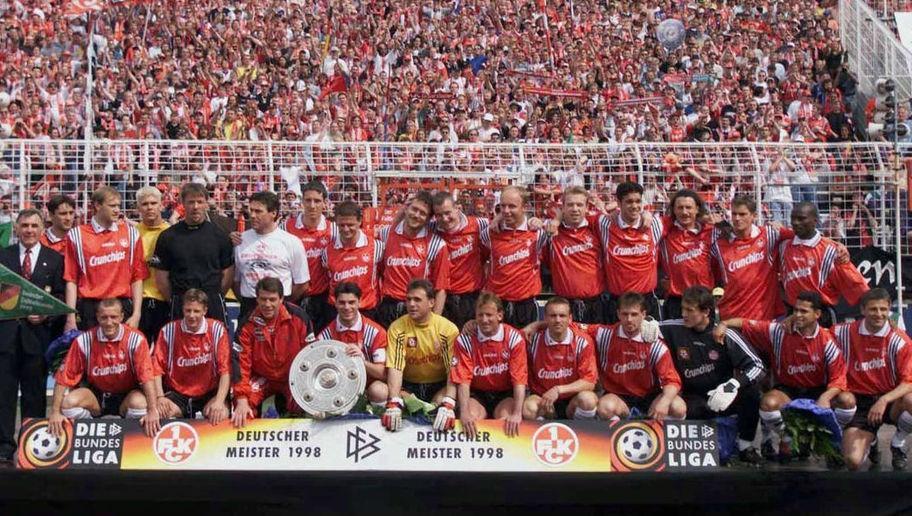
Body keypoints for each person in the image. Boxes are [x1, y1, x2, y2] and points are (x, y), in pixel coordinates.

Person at [719, 291, 854, 460]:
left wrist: (825, 397)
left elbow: (839, 379)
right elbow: (745, 324)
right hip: (787, 390)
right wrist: (724, 324)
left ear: (817, 314)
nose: (797, 315)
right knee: (768, 404)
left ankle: (832, 441)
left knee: (847, 401)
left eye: (804, 311)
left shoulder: (827, 340)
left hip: (817, 390)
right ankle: (790, 437)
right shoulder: (778, 331)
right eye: (795, 310)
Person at [660, 286, 766, 464]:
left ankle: (745, 446)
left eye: (689, 310)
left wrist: (732, 385)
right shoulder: (674, 328)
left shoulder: (726, 335)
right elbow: (646, 324)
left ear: (706, 312)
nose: (684, 314)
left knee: (752, 393)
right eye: (682, 309)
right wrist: (647, 322)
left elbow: (758, 366)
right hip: (692, 400)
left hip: (723, 396)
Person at [0, 209, 65, 462]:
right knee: (4, 396)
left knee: (34, 395)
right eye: (24, 225)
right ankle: (4, 448)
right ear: (16, 228)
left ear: (42, 228)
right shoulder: (2, 258)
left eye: (34, 225)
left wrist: (46, 315)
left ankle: (30, 445)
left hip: (37, 339)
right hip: (5, 338)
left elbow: (60, 296)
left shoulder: (55, 259)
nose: (29, 230)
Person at [49, 299, 160, 437]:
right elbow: (64, 377)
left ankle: (129, 439)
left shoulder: (136, 339)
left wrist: (152, 410)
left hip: (127, 395)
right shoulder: (84, 340)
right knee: (68, 403)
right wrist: (55, 412)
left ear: (121, 317)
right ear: (97, 317)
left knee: (140, 405)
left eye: (113, 317)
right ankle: (91, 437)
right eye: (104, 317)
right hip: (97, 395)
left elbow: (147, 377)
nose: (109, 322)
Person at [835, 288, 912, 471]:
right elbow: (815, 335)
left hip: (891, 401)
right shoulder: (843, 332)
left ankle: (898, 443)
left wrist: (884, 400)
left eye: (883, 309)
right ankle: (872, 439)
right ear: (862, 310)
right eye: (873, 309)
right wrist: (793, 321)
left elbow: (909, 381)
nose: (879, 314)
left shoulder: (900, 340)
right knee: (852, 462)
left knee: (910, 399)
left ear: (889, 310)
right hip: (861, 402)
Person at [588, 293, 686, 421]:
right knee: (605, 408)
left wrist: (664, 402)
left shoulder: (654, 343)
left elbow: (672, 381)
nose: (629, 319)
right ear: (618, 314)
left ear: (643, 314)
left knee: (678, 407)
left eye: (634, 314)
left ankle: (661, 437)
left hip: (650, 396)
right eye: (625, 314)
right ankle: (617, 437)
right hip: (619, 396)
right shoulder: (603, 334)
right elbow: (571, 327)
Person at [63, 186, 147, 331]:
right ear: (97, 205)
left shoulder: (131, 234)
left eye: (118, 206)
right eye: (112, 205)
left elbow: (137, 277)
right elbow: (71, 279)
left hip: (122, 306)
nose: (117, 210)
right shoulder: (76, 235)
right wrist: (70, 318)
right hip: (90, 308)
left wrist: (137, 314)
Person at [232, 277, 312, 428]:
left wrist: (307, 387)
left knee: (306, 402)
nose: (267, 304)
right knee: (240, 405)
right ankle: (248, 446)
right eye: (263, 299)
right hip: (262, 378)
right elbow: (241, 363)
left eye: (272, 299)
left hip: (292, 377)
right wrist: (242, 398)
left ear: (281, 299)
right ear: (257, 299)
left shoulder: (299, 317)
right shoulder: (247, 323)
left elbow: (310, 356)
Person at [382, 279, 459, 432]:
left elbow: (453, 370)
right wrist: (394, 401)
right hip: (409, 386)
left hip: (438, 385)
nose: (411, 304)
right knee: (380, 391)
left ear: (431, 302)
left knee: (441, 402)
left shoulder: (447, 329)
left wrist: (449, 402)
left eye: (417, 300)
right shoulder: (397, 328)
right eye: (408, 299)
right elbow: (396, 368)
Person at [152, 183, 234, 326]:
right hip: (181, 302)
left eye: (200, 202)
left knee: (216, 346)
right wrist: (176, 300)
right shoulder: (168, 237)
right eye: (191, 202)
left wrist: (215, 296)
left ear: (206, 204)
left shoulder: (220, 235)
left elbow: (228, 273)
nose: (195, 207)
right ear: (182, 204)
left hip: (212, 301)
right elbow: (161, 278)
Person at [779, 202, 869, 327]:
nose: (795, 222)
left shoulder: (832, 251)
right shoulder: (783, 247)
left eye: (801, 219)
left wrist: (879, 311)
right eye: (793, 218)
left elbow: (856, 284)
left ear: (815, 221)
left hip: (820, 317)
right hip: (792, 316)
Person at [450, 293, 526, 437]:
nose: (484, 320)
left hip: (505, 393)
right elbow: (463, 380)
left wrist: (517, 413)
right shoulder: (464, 339)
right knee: (471, 419)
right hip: (478, 393)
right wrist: (464, 413)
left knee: (507, 420)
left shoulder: (514, 338)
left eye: (489, 315)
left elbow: (519, 379)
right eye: (480, 315)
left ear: (500, 315)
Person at [152, 289, 231, 425]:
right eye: (188, 310)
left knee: (220, 414)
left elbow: (225, 370)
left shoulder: (217, 329)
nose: (191, 315)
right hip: (178, 394)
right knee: (158, 414)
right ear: (182, 309)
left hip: (209, 392)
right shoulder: (168, 331)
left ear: (205, 311)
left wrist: (219, 402)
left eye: (196, 311)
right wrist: (159, 397)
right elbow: (156, 369)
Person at [233, 191, 310, 323]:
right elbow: (235, 280)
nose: (252, 215)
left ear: (273, 213)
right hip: (249, 307)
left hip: (281, 307)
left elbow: (302, 283)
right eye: (251, 210)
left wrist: (282, 301)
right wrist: (252, 300)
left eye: (258, 211)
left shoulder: (291, 242)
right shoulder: (240, 240)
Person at [710, 196, 791, 321]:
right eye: (734, 214)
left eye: (742, 214)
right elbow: (714, 277)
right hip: (731, 316)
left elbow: (802, 235)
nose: (737, 218)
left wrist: (782, 227)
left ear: (754, 215)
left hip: (764, 318)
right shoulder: (719, 245)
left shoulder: (769, 235)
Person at [377, 191, 449, 327]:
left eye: (422, 213)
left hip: (417, 309)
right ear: (407, 208)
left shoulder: (437, 244)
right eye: (414, 209)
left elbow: (441, 288)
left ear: (428, 220)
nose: (416, 215)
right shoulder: (385, 234)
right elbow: (378, 272)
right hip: (387, 308)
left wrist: (434, 324)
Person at [480, 185, 548, 328]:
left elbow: (560, 222)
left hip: (526, 305)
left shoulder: (538, 233)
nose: (506, 211)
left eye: (512, 206)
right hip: (497, 304)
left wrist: (539, 221)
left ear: (524, 207)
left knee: (527, 348)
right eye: (502, 206)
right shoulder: (490, 232)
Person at [522, 297, 599, 420]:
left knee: (588, 400)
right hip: (543, 398)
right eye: (553, 316)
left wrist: (558, 390)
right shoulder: (532, 339)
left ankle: (582, 433)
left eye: (562, 316)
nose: (557, 320)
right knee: (528, 407)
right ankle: (544, 434)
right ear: (545, 318)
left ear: (570, 318)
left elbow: (589, 382)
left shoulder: (583, 341)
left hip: (573, 399)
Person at [597, 182, 664, 322]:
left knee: (651, 342)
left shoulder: (655, 224)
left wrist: (647, 214)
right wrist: (556, 219)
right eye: (629, 202)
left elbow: (688, 219)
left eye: (638, 201)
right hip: (617, 301)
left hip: (646, 300)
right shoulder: (604, 223)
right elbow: (575, 216)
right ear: (619, 204)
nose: (634, 206)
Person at [316, 282, 389, 409]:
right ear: (335, 302)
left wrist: (361, 361)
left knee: (379, 391)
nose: (347, 307)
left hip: (369, 386)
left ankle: (378, 419)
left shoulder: (375, 332)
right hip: (340, 387)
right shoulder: (324, 337)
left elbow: (383, 373)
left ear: (359, 302)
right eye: (342, 302)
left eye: (351, 302)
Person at [545, 186, 607, 323]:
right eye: (570, 204)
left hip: (596, 303)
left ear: (586, 207)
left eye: (579, 205)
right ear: (563, 207)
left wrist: (646, 214)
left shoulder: (597, 227)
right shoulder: (552, 231)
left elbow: (620, 218)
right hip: (565, 306)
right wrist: (554, 220)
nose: (575, 209)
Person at [282, 180, 336, 331]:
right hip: (294, 296)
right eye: (308, 200)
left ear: (325, 203)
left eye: (317, 201)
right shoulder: (286, 227)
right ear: (302, 201)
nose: (312, 205)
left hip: (322, 299)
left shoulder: (334, 230)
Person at [431, 192, 489, 330]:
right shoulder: (432, 229)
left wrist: (532, 221)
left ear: (458, 208)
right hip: (443, 299)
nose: (444, 219)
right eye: (439, 215)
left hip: (471, 298)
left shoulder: (479, 225)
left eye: (447, 213)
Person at [321, 201, 384, 319]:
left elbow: (383, 275)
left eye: (350, 225)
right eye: (341, 225)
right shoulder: (327, 252)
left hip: (367, 311)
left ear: (360, 221)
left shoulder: (377, 247)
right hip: (337, 311)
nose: (346, 229)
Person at [658, 190, 714, 320]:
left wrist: (720, 223)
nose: (684, 212)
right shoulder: (665, 232)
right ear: (674, 210)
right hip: (676, 300)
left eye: (688, 207)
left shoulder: (710, 231)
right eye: (680, 208)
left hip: (703, 298)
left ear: (697, 209)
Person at [136, 186, 171, 344]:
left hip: (164, 301)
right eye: (145, 204)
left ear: (161, 205)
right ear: (138, 207)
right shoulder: (132, 233)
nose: (149, 207)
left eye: (153, 203)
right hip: (138, 301)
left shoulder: (171, 232)